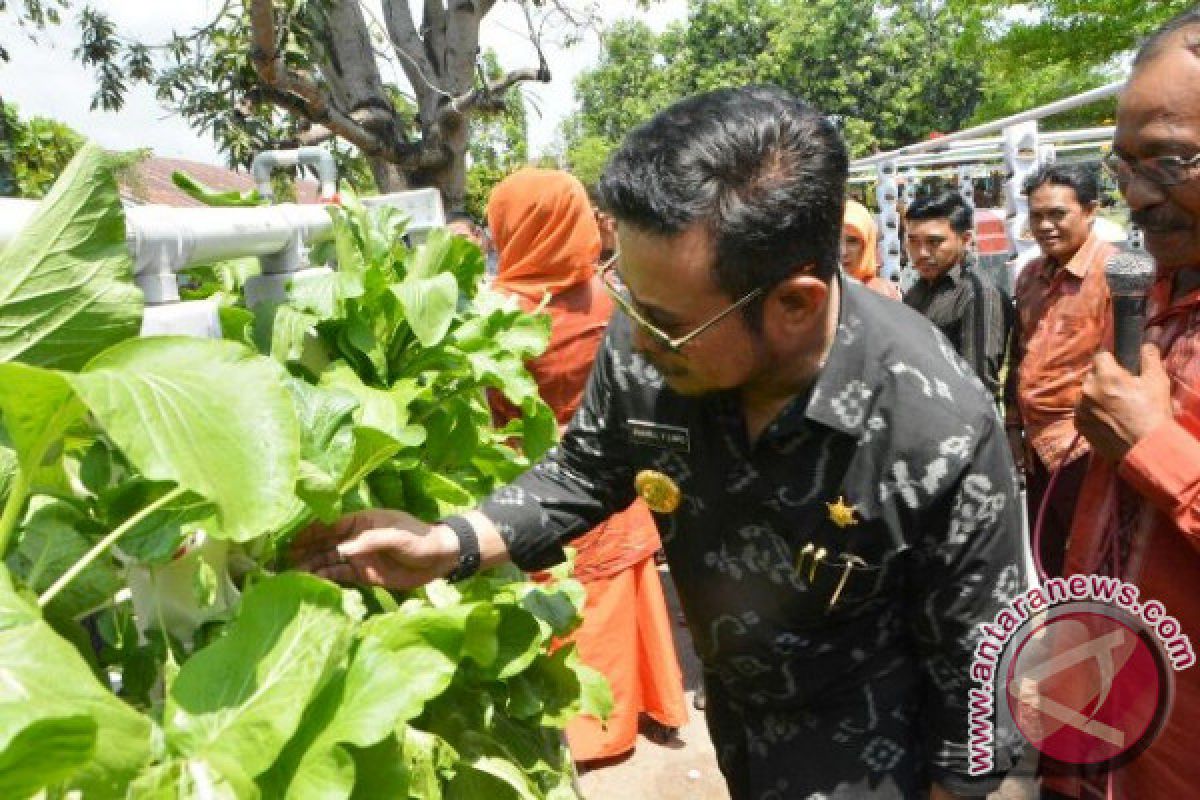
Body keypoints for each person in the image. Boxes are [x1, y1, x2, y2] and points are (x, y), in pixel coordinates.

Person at [294, 86, 1024, 799]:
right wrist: (446, 544)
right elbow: (586, 468)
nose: (635, 337)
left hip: (873, 757)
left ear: (794, 305)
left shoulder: (935, 430)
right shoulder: (658, 329)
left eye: (665, 321)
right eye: (627, 297)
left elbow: (979, 686)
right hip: (739, 728)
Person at [484, 166, 688, 764]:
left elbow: (493, 409)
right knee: (621, 597)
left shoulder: (501, 312)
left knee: (567, 608)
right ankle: (646, 709)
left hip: (539, 478)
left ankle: (585, 731)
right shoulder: (615, 292)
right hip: (617, 471)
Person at [1051, 11, 1200, 798]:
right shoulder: (1154, 285)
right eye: (1124, 164)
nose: (1136, 196)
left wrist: (1153, 445)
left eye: (1171, 162)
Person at [1004, 164, 1115, 577]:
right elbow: (1020, 354)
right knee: (1048, 558)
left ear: (1090, 211)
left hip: (1086, 445)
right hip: (1037, 445)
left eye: (1057, 214)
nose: (1045, 226)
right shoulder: (1031, 275)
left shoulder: (1114, 274)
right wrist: (1013, 427)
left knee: (1095, 563)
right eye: (1036, 216)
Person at [903, 191, 1011, 395]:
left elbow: (979, 383)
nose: (921, 253)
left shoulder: (978, 292)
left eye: (934, 242)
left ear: (965, 239)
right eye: (913, 241)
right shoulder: (919, 289)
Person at [843, 199, 903, 300]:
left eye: (852, 241)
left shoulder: (883, 294)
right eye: (835, 242)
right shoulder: (815, 292)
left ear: (867, 245)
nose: (843, 252)